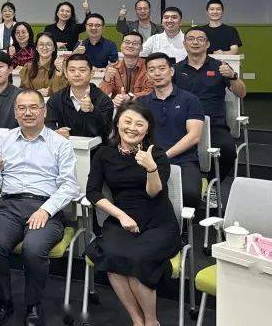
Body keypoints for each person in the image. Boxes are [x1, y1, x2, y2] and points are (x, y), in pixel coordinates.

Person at [0, 89, 80, 326]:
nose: (28, 113)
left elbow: (70, 186)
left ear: (44, 111)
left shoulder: (60, 144)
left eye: (34, 107)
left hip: (46, 207)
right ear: (15, 113)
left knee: (33, 249)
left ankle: (33, 306)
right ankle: (4, 302)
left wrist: (46, 209)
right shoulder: (4, 140)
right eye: (22, 108)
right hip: (9, 205)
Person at [85, 102, 180, 326]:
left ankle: (151, 321)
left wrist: (151, 168)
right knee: (112, 255)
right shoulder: (104, 154)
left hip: (157, 221)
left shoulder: (156, 154)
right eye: (127, 121)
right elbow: (93, 192)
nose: (132, 128)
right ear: (117, 124)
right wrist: (121, 216)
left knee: (137, 260)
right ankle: (137, 320)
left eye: (139, 124)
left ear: (147, 129)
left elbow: (154, 192)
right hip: (123, 217)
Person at [174, 28, 246, 194]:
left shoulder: (220, 67)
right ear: (184, 44)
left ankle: (211, 186)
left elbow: (242, 93)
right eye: (191, 39)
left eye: (200, 39)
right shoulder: (175, 69)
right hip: (182, 125)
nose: (195, 42)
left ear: (207, 44)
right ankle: (184, 187)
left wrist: (233, 76)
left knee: (228, 151)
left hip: (214, 125)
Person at [137, 53, 205, 208]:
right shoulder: (142, 103)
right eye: (152, 70)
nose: (157, 73)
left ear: (171, 71)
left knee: (189, 194)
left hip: (184, 160)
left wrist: (165, 156)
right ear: (147, 75)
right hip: (150, 159)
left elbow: (194, 136)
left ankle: (186, 224)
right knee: (137, 192)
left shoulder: (190, 99)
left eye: (162, 68)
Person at [45, 54, 114, 139]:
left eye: (82, 70)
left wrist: (92, 111)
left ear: (92, 73)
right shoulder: (56, 98)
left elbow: (106, 132)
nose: (76, 74)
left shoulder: (104, 100)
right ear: (65, 73)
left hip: (96, 147)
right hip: (65, 145)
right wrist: (56, 132)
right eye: (72, 70)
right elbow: (48, 124)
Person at [100, 32, 153, 108]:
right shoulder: (113, 68)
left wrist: (132, 96)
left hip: (142, 108)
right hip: (119, 109)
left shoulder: (149, 67)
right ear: (121, 46)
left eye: (135, 43)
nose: (130, 46)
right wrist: (106, 79)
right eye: (127, 42)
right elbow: (101, 95)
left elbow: (151, 90)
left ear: (141, 48)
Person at [19, 33, 68, 97]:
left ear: (54, 48)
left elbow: (64, 91)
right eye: (41, 44)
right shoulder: (28, 67)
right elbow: (22, 91)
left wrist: (58, 72)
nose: (44, 48)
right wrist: (37, 92)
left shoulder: (61, 66)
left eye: (48, 44)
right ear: (36, 48)